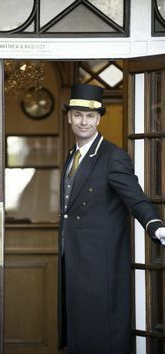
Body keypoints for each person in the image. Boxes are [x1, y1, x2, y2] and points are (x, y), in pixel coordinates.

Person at [58, 83, 165, 354]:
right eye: (79, 114)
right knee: (79, 332)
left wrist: (156, 227)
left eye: (90, 116)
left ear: (99, 119)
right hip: (73, 259)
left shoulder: (113, 157)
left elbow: (136, 198)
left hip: (99, 265)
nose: (84, 121)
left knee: (100, 334)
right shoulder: (72, 155)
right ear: (69, 116)